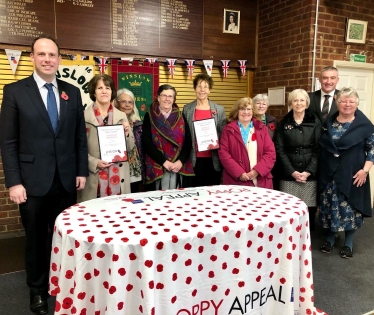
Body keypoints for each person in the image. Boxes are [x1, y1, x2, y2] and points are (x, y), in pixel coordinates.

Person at [0, 34, 88, 315]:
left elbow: (78, 138)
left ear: (59, 59)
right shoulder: (14, 91)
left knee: (65, 238)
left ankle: (63, 284)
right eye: (42, 54)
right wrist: (13, 181)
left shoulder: (72, 92)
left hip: (66, 181)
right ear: (32, 57)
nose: (48, 59)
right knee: (37, 240)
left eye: (52, 55)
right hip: (31, 182)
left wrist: (81, 171)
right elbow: (8, 141)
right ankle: (37, 291)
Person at [319, 87, 374, 258]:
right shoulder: (329, 123)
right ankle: (330, 238)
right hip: (330, 173)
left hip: (353, 173)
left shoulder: (364, 126)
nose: (347, 104)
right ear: (337, 102)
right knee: (330, 206)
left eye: (351, 101)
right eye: (343, 101)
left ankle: (348, 243)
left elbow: (372, 150)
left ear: (357, 103)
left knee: (350, 208)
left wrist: (365, 171)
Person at [77, 75, 135, 202]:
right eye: (100, 88)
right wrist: (94, 162)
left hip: (118, 178)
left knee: (118, 216)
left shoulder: (121, 116)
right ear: (94, 92)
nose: (104, 91)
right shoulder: (83, 117)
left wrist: (126, 134)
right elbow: (76, 148)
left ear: (112, 91)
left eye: (107, 88)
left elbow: (130, 147)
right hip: (94, 178)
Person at [275, 89, 321, 230]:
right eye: (295, 100)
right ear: (290, 103)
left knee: (308, 210)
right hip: (288, 174)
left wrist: (308, 171)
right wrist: (292, 172)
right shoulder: (283, 123)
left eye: (302, 100)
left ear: (307, 103)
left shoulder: (315, 122)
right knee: (287, 209)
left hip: (309, 173)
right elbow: (279, 149)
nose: (299, 103)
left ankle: (306, 240)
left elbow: (318, 149)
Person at [142, 84, 194, 190]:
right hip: (158, 164)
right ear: (158, 97)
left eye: (170, 96)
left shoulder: (181, 115)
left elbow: (188, 141)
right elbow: (146, 142)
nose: (167, 99)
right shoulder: (149, 115)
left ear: (174, 99)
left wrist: (180, 161)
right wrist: (164, 162)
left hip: (178, 165)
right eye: (164, 95)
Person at [218, 97, 275, 188]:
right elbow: (223, 154)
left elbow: (270, 153)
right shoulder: (228, 130)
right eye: (242, 109)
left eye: (249, 109)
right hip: (235, 181)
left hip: (261, 181)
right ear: (237, 111)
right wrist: (239, 173)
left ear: (253, 112)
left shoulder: (262, 129)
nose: (246, 112)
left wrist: (257, 171)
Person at [183, 73, 226, 186]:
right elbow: (184, 133)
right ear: (194, 89)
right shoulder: (187, 109)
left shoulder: (219, 109)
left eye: (205, 87)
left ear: (209, 90)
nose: (202, 90)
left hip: (213, 159)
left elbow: (223, 134)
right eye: (199, 86)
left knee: (212, 192)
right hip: (194, 158)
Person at [116, 88, 144, 192]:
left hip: (135, 171)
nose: (127, 105)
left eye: (130, 102)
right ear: (116, 103)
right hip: (118, 169)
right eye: (123, 102)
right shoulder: (111, 121)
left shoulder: (138, 123)